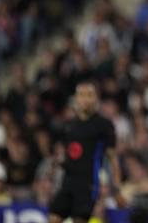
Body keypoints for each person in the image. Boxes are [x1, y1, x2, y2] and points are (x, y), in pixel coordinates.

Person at [48, 82, 125, 223]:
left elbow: (113, 158)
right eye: (81, 95)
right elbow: (64, 153)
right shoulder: (68, 125)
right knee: (53, 218)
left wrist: (117, 189)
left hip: (88, 184)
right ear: (76, 98)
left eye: (89, 95)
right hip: (67, 182)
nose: (85, 99)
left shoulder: (103, 125)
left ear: (96, 98)